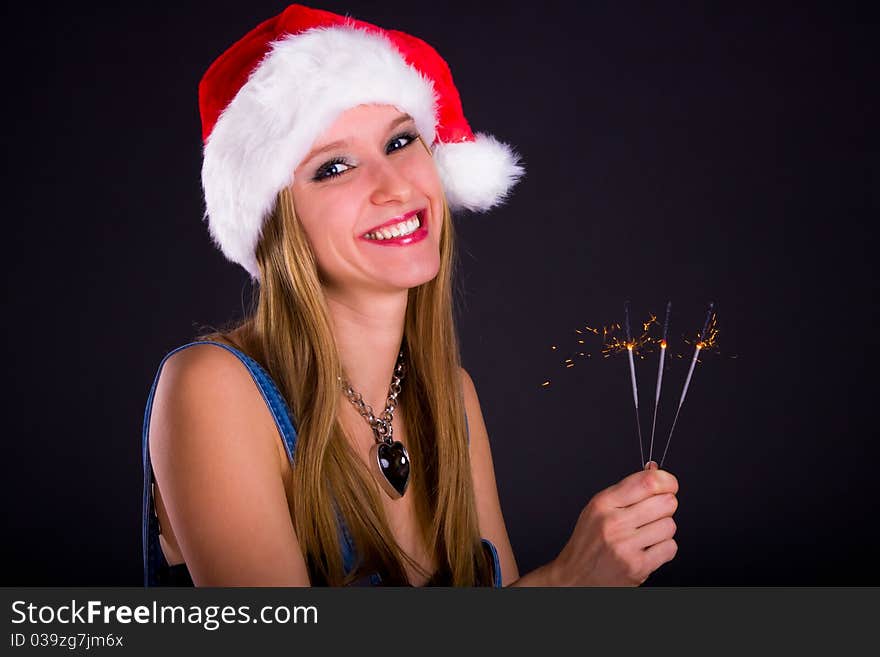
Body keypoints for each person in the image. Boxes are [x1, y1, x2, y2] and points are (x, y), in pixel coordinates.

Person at [141, 3, 679, 587]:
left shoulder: (451, 397)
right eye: (334, 168)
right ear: (275, 223)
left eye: (400, 142)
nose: (396, 187)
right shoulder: (213, 389)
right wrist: (562, 585)